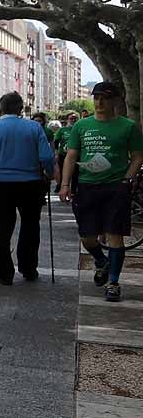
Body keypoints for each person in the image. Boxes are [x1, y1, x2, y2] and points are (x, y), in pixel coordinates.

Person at [60, 81, 143, 302]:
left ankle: (114, 282)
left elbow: (137, 155)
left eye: (105, 98)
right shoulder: (81, 126)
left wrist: (127, 179)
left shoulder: (128, 126)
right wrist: (65, 184)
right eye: (96, 97)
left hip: (116, 187)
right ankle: (101, 261)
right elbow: (71, 156)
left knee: (115, 237)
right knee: (87, 238)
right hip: (87, 187)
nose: (100, 102)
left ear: (116, 101)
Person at [0, 92, 56, 285]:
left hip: (0, 186)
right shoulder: (35, 128)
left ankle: (4, 272)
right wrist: (49, 174)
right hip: (30, 184)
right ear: (21, 110)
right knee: (30, 226)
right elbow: (46, 157)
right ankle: (28, 268)